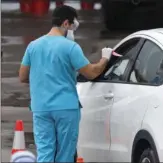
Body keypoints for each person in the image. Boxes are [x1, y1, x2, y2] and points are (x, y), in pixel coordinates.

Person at [18, 5, 112, 162]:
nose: (73, 31)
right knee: (65, 154)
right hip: (66, 108)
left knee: (45, 153)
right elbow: (91, 72)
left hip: (41, 108)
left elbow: (22, 76)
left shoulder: (33, 46)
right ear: (66, 24)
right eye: (73, 26)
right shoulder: (71, 47)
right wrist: (105, 58)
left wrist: (41, 77)